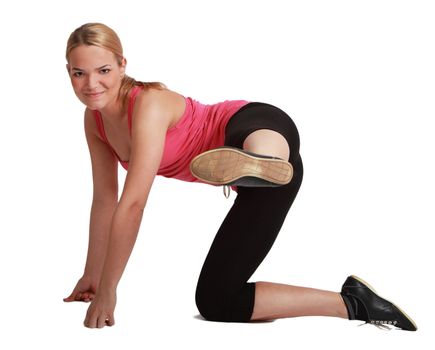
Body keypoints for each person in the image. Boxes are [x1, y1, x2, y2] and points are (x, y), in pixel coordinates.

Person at [63, 22, 417, 331]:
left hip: (253, 122)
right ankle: (355, 303)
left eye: (104, 70)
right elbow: (105, 201)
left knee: (254, 142)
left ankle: (258, 160)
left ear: (123, 65)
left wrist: (110, 290)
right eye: (80, 73)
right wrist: (93, 277)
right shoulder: (94, 122)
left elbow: (133, 203)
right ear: (68, 72)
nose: (92, 83)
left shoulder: (148, 104)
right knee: (217, 301)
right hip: (264, 190)